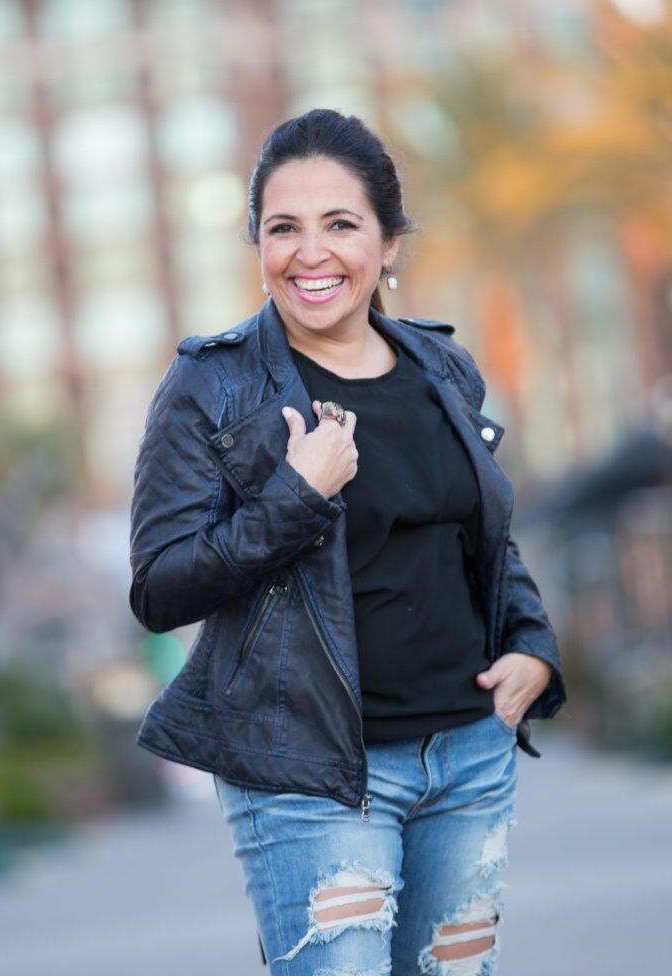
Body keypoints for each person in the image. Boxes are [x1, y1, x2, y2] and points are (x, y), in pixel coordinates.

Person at [128, 108, 567, 975]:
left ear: (389, 244)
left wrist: (532, 645)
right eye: (283, 227)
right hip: (311, 779)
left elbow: (482, 537)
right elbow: (158, 588)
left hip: (467, 757)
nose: (310, 252)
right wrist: (296, 495)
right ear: (256, 243)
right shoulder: (209, 386)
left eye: (340, 224)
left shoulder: (442, 370)